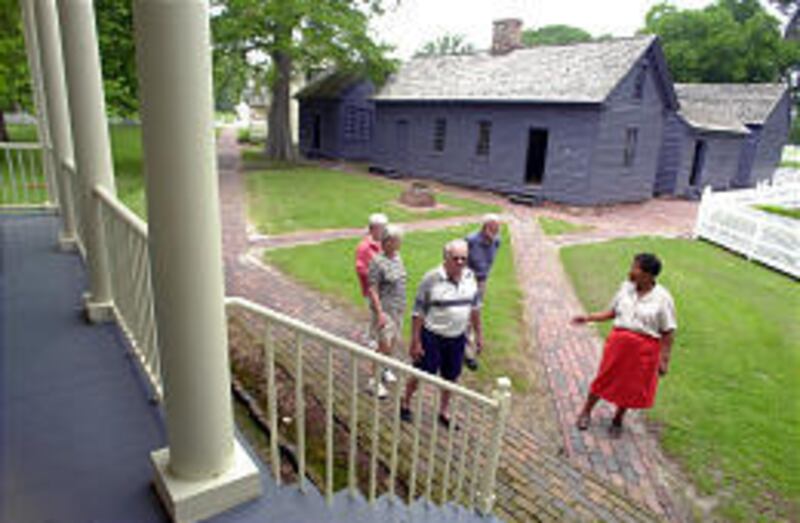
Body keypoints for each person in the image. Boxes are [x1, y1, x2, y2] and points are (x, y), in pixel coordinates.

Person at [571, 253, 677, 438]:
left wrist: (664, 360)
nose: (631, 271)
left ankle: (618, 419)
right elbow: (612, 313)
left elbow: (668, 331)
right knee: (604, 378)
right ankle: (586, 412)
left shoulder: (663, 298)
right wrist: (588, 318)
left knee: (630, 386)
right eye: (632, 266)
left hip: (644, 351)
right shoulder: (625, 289)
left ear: (649, 275)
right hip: (618, 345)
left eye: (636, 268)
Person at [400, 239, 483, 428]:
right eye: (456, 258)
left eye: (464, 258)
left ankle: (444, 411)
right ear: (446, 258)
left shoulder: (471, 278)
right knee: (421, 373)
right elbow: (418, 312)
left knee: (451, 378)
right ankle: (405, 402)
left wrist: (478, 336)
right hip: (432, 337)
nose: (460, 263)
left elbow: (475, 309)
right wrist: (415, 341)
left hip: (457, 338)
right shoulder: (431, 278)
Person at [365, 225, 406, 398]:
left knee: (393, 342)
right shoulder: (377, 261)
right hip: (385, 309)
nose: (400, 243)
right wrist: (380, 313)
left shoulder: (397, 257)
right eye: (397, 240)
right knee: (383, 345)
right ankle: (373, 382)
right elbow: (372, 289)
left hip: (398, 308)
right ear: (388, 242)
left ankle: (385, 369)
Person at [463, 213, 501, 371]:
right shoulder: (470, 240)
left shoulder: (497, 242)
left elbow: (489, 263)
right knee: (465, 314)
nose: (495, 233)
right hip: (467, 280)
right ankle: (466, 351)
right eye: (493, 229)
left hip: (481, 282)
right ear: (484, 228)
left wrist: (482, 281)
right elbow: (460, 260)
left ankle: (467, 343)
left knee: (474, 315)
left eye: (497, 230)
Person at [355, 213, 388, 345]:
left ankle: (373, 335)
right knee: (375, 312)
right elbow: (360, 269)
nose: (385, 231)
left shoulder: (381, 243)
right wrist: (374, 276)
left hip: (382, 287)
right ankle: (371, 338)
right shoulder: (364, 247)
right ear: (373, 228)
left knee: (378, 312)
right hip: (371, 288)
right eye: (382, 228)